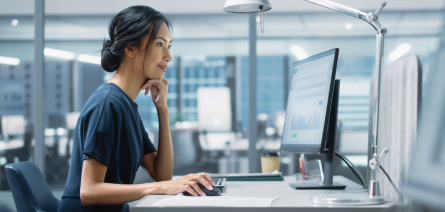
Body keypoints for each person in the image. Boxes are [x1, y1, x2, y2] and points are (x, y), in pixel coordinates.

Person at [58, 5, 215, 212]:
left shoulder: (126, 105)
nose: (168, 56)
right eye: (160, 44)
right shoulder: (107, 104)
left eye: (169, 45)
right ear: (130, 48)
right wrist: (161, 187)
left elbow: (162, 174)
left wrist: (162, 110)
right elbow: (89, 191)